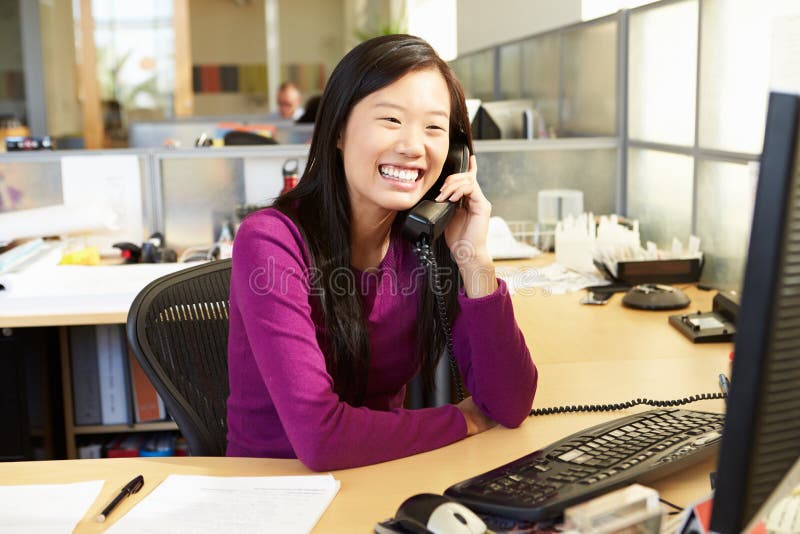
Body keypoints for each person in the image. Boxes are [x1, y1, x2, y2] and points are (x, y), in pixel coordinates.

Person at [226, 34, 538, 470]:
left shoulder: (427, 241)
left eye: (434, 127)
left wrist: (474, 259)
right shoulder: (271, 242)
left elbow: (509, 404)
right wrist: (460, 422)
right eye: (391, 120)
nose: (413, 146)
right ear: (337, 130)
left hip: (381, 474)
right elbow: (321, 440)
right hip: (278, 491)